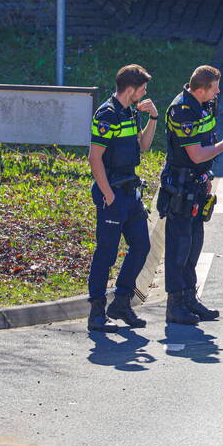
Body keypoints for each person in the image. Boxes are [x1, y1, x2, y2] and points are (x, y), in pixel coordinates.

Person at [159, 65, 223, 325]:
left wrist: (207, 178)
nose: (218, 91)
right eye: (215, 87)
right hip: (181, 187)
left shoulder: (203, 105)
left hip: (196, 184)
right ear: (202, 89)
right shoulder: (183, 111)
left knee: (194, 244)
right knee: (179, 248)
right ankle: (175, 305)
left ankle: (190, 300)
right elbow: (197, 154)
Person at [86, 64, 158, 332]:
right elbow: (95, 158)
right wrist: (108, 195)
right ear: (131, 89)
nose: (145, 92)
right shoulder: (107, 114)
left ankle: (122, 302)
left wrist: (153, 118)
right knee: (106, 254)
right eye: (143, 89)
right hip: (113, 193)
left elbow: (143, 146)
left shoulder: (130, 111)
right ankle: (96, 313)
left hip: (130, 192)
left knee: (141, 246)